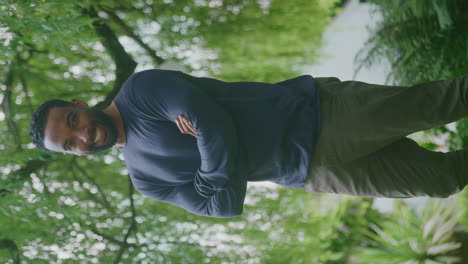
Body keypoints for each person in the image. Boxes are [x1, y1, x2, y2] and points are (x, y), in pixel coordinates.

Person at [29, 69, 468, 218]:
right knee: (444, 179)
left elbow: (214, 123)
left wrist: (212, 168)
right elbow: (222, 208)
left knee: (441, 103)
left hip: (317, 113)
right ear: (74, 154)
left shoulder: (141, 91)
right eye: (70, 144)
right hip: (310, 171)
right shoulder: (146, 179)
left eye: (73, 121)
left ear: (79, 103)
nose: (82, 135)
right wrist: (212, 151)